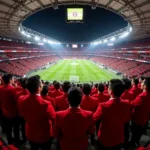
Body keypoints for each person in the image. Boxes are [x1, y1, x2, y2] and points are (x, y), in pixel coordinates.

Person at [19, 75, 55, 150]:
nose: (42, 84)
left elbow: (22, 114)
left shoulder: (21, 99)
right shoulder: (46, 104)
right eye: (41, 83)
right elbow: (53, 118)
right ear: (39, 88)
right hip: (44, 136)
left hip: (30, 133)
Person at [93, 79, 130, 150]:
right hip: (119, 138)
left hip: (105, 139)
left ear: (110, 91)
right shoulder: (127, 103)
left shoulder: (103, 106)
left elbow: (94, 118)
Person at [0, 74, 20, 144]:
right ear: (10, 80)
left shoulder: (1, 88)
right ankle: (17, 141)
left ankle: (10, 141)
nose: (14, 79)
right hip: (13, 113)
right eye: (13, 78)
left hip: (5, 112)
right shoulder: (12, 89)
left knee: (8, 129)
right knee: (16, 128)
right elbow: (17, 100)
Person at [130, 77, 150, 147]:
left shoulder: (142, 96)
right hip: (145, 117)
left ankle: (133, 143)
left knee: (135, 132)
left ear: (145, 86)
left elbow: (132, 104)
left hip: (137, 118)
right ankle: (137, 141)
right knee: (139, 132)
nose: (140, 83)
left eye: (142, 83)